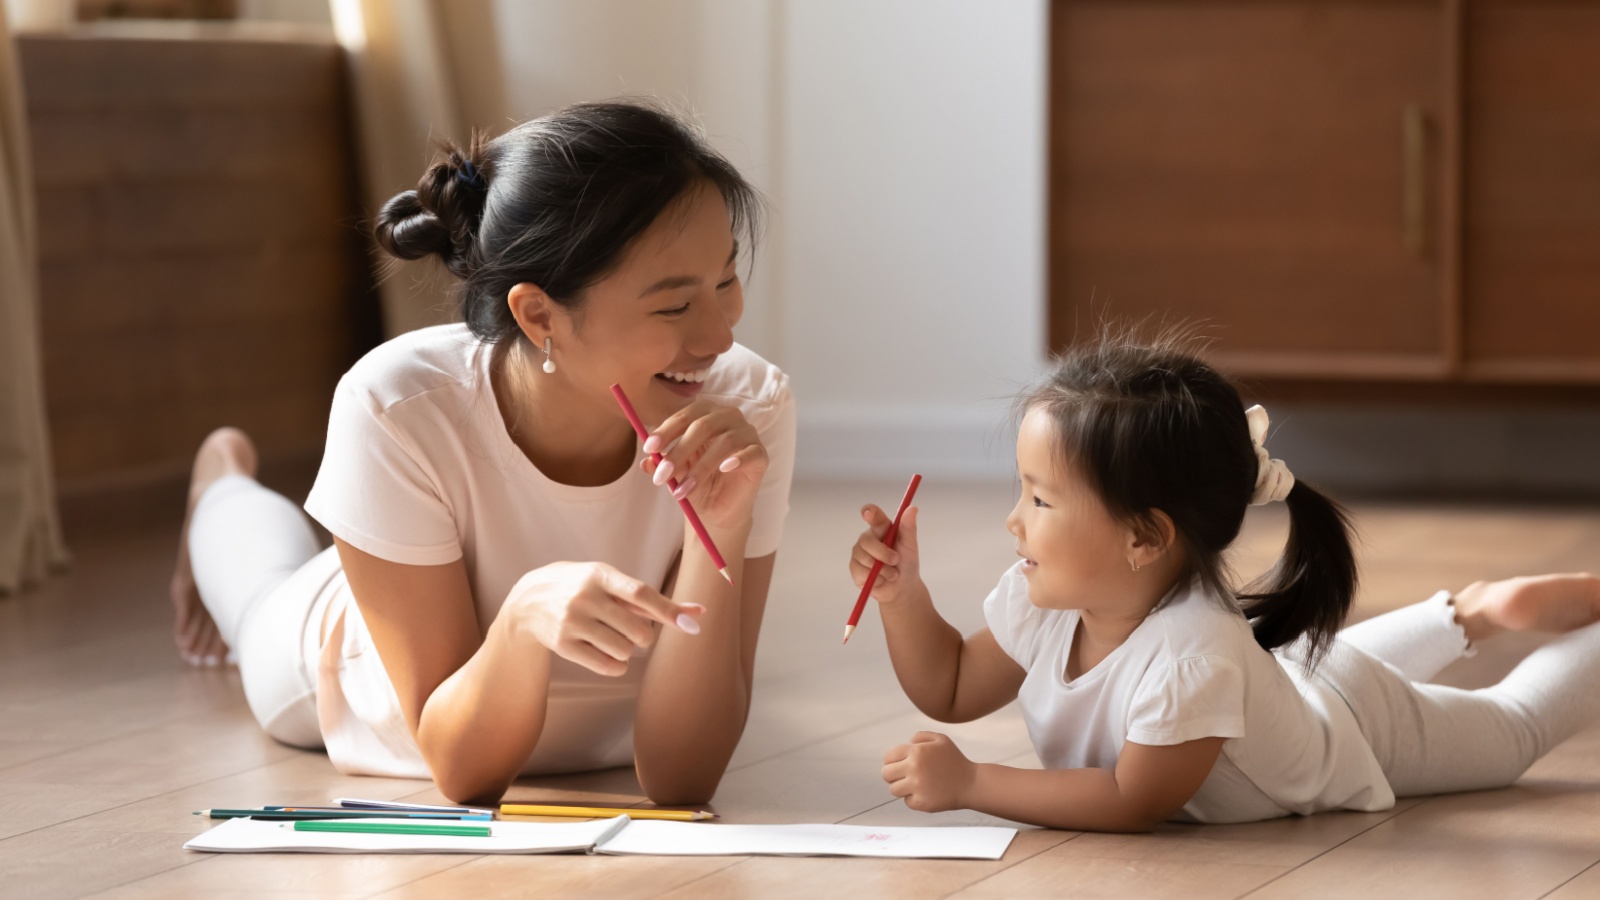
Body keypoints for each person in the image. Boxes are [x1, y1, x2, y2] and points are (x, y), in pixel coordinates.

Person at [169, 100, 796, 805]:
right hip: (354, 673)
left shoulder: (749, 404)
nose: (717, 336)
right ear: (539, 315)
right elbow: (463, 771)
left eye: (725, 281)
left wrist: (723, 525)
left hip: (600, 736)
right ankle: (219, 484)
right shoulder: (398, 407)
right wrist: (523, 618)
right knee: (259, 593)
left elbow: (683, 781)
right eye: (675, 307)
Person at [848, 331, 1600, 830]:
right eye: (1023, 490)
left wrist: (975, 783)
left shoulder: (1192, 654)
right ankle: (1470, 612)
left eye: (1040, 499)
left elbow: (1132, 797)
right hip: (1296, 675)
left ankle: (1485, 616)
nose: (1015, 521)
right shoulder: (1052, 599)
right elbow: (947, 685)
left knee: (1513, 729)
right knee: (1332, 671)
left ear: (1145, 536)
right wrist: (901, 593)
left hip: (1355, 725)